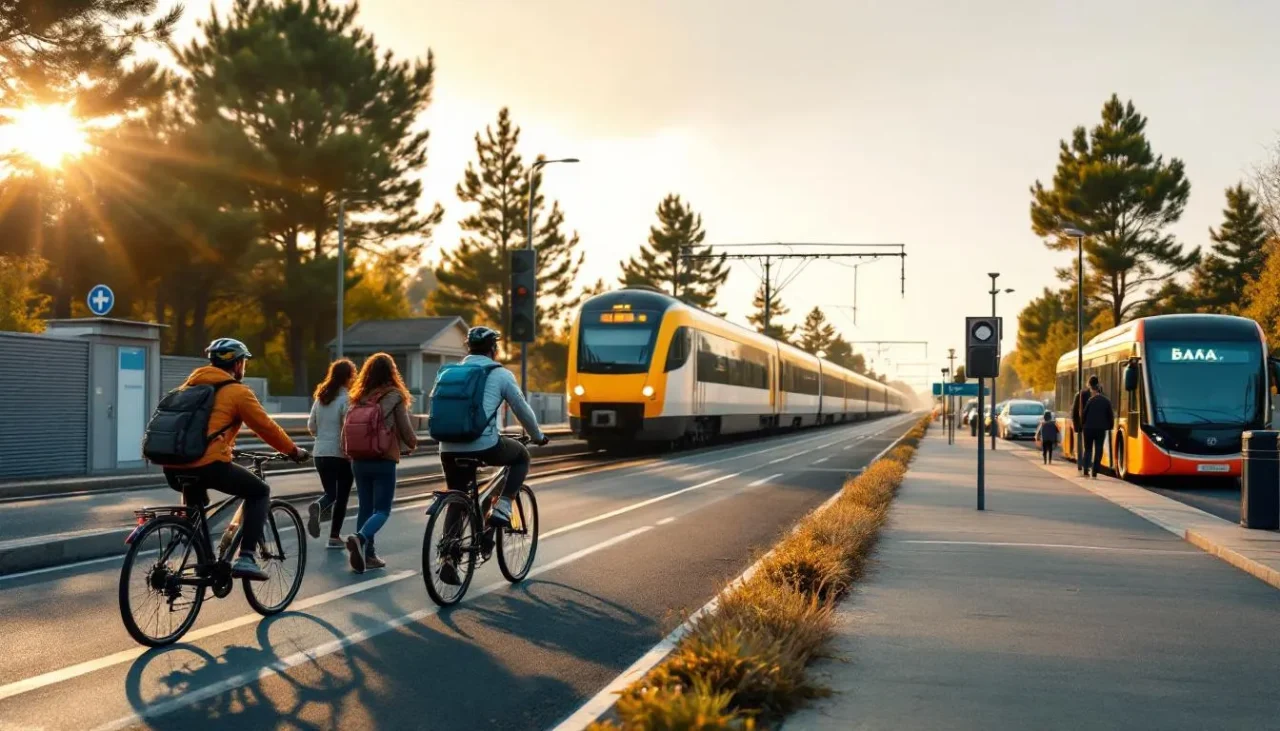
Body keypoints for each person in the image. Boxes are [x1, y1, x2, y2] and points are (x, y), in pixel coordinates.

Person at [161, 338, 308, 581]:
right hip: (207, 465)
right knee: (259, 492)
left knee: (196, 509)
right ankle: (246, 557)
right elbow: (266, 428)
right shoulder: (237, 392)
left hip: (172, 465)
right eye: (244, 363)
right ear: (238, 364)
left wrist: (227, 448)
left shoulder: (188, 387)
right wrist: (293, 451)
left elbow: (206, 428)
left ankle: (202, 561)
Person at [437, 327, 549, 585]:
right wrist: (538, 436)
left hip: (447, 446)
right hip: (483, 445)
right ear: (493, 350)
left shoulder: (448, 372)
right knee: (520, 457)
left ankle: (449, 559)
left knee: (457, 496)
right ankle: (503, 506)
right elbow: (521, 408)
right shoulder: (499, 373)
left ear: (469, 349)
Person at [343, 353, 419, 573]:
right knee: (382, 509)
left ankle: (368, 555)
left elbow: (345, 430)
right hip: (382, 459)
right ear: (392, 373)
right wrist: (412, 444)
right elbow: (405, 429)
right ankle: (361, 538)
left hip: (358, 459)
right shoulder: (394, 395)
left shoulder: (358, 397)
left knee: (365, 508)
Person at [307, 359, 356, 549]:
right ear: (348, 377)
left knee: (330, 493)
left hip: (319, 453)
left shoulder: (321, 398)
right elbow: (348, 428)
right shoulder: (348, 399)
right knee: (341, 496)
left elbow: (311, 426)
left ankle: (320, 506)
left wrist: (322, 436)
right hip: (340, 454)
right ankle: (334, 537)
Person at [1080, 375, 1115, 479]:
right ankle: (1095, 471)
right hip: (1101, 429)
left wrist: (1083, 425)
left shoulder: (1090, 400)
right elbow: (1110, 416)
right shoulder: (1106, 401)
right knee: (1099, 449)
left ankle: (1086, 470)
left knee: (1088, 449)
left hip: (1088, 428)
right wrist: (1110, 426)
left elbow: (1084, 414)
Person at [1070, 379, 1093, 473]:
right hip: (1090, 425)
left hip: (1081, 425)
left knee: (1081, 446)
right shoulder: (1099, 394)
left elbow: (1074, 411)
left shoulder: (1080, 394)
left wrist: (1076, 426)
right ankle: (1086, 464)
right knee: (1088, 447)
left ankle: (1081, 464)